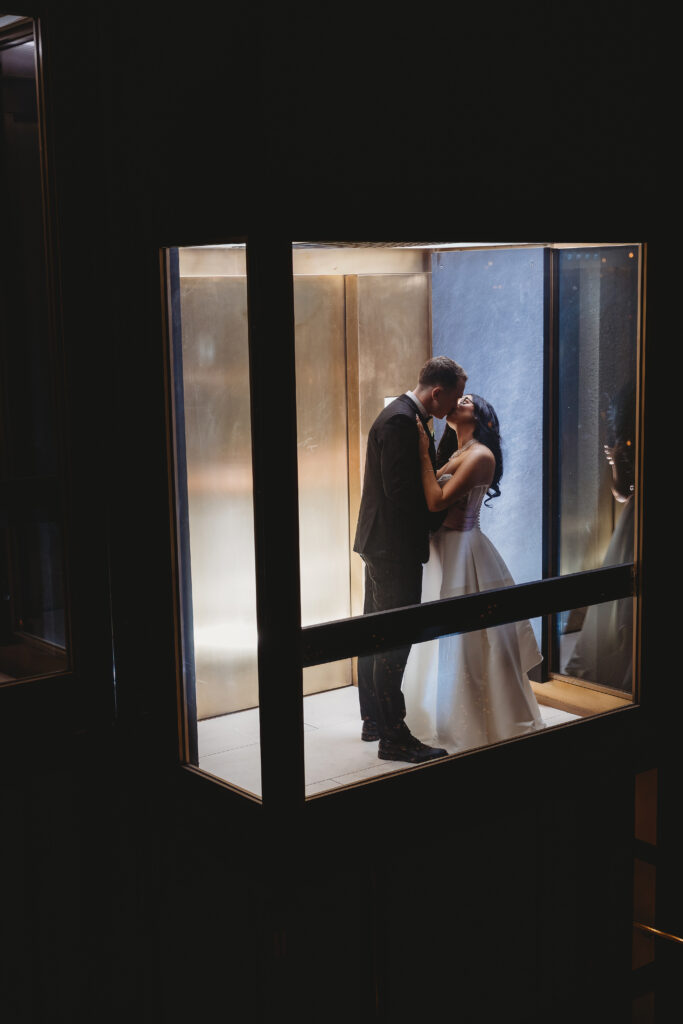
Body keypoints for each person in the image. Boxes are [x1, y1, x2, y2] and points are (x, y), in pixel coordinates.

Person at [403, 393, 545, 752]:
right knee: (444, 640)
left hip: (464, 551)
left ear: (484, 418)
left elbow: (436, 500)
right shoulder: (457, 453)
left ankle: (488, 720)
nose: (456, 402)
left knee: (473, 642)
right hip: (443, 549)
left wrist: (422, 451)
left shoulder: (481, 454)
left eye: (465, 399)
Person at [353, 355, 467, 763]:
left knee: (375, 632)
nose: (454, 408)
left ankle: (374, 720)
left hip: (380, 542)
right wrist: (439, 515)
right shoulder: (403, 421)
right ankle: (394, 737)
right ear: (437, 392)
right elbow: (402, 494)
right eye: (452, 400)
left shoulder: (406, 416)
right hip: (393, 547)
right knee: (393, 639)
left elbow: (418, 473)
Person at [563, 382, 636, 690]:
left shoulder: (627, 439)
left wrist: (617, 457)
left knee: (624, 608)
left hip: (638, 521)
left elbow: (622, 492)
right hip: (637, 519)